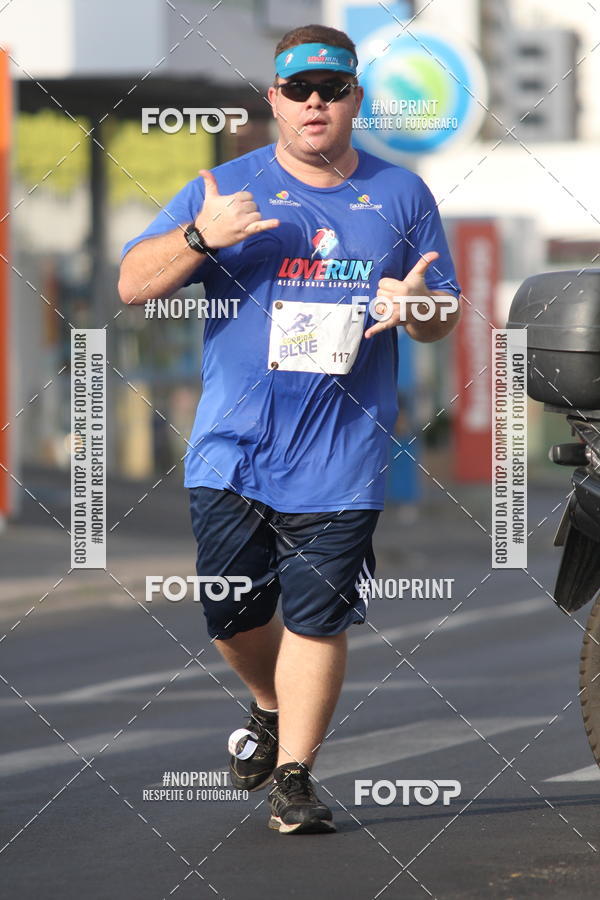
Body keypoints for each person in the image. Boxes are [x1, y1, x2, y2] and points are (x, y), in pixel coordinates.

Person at [119, 22, 461, 835]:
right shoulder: (223, 187)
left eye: (331, 89)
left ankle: (296, 777)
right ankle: (269, 704)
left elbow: (440, 313)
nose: (315, 103)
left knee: (317, 617)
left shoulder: (402, 195)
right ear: (273, 99)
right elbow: (132, 283)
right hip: (232, 450)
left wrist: (417, 307)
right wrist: (200, 237)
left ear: (355, 99)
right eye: (299, 89)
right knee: (232, 613)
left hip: (345, 451)